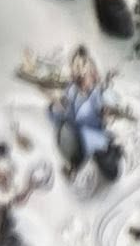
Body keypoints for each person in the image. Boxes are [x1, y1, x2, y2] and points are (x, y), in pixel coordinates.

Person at [49, 45, 123, 184]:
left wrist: (107, 111)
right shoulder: (69, 91)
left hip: (93, 135)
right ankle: (76, 165)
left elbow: (111, 102)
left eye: (83, 65)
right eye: (76, 66)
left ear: (91, 69)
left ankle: (109, 153)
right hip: (74, 137)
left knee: (111, 171)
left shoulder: (98, 92)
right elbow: (57, 116)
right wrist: (55, 108)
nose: (80, 71)